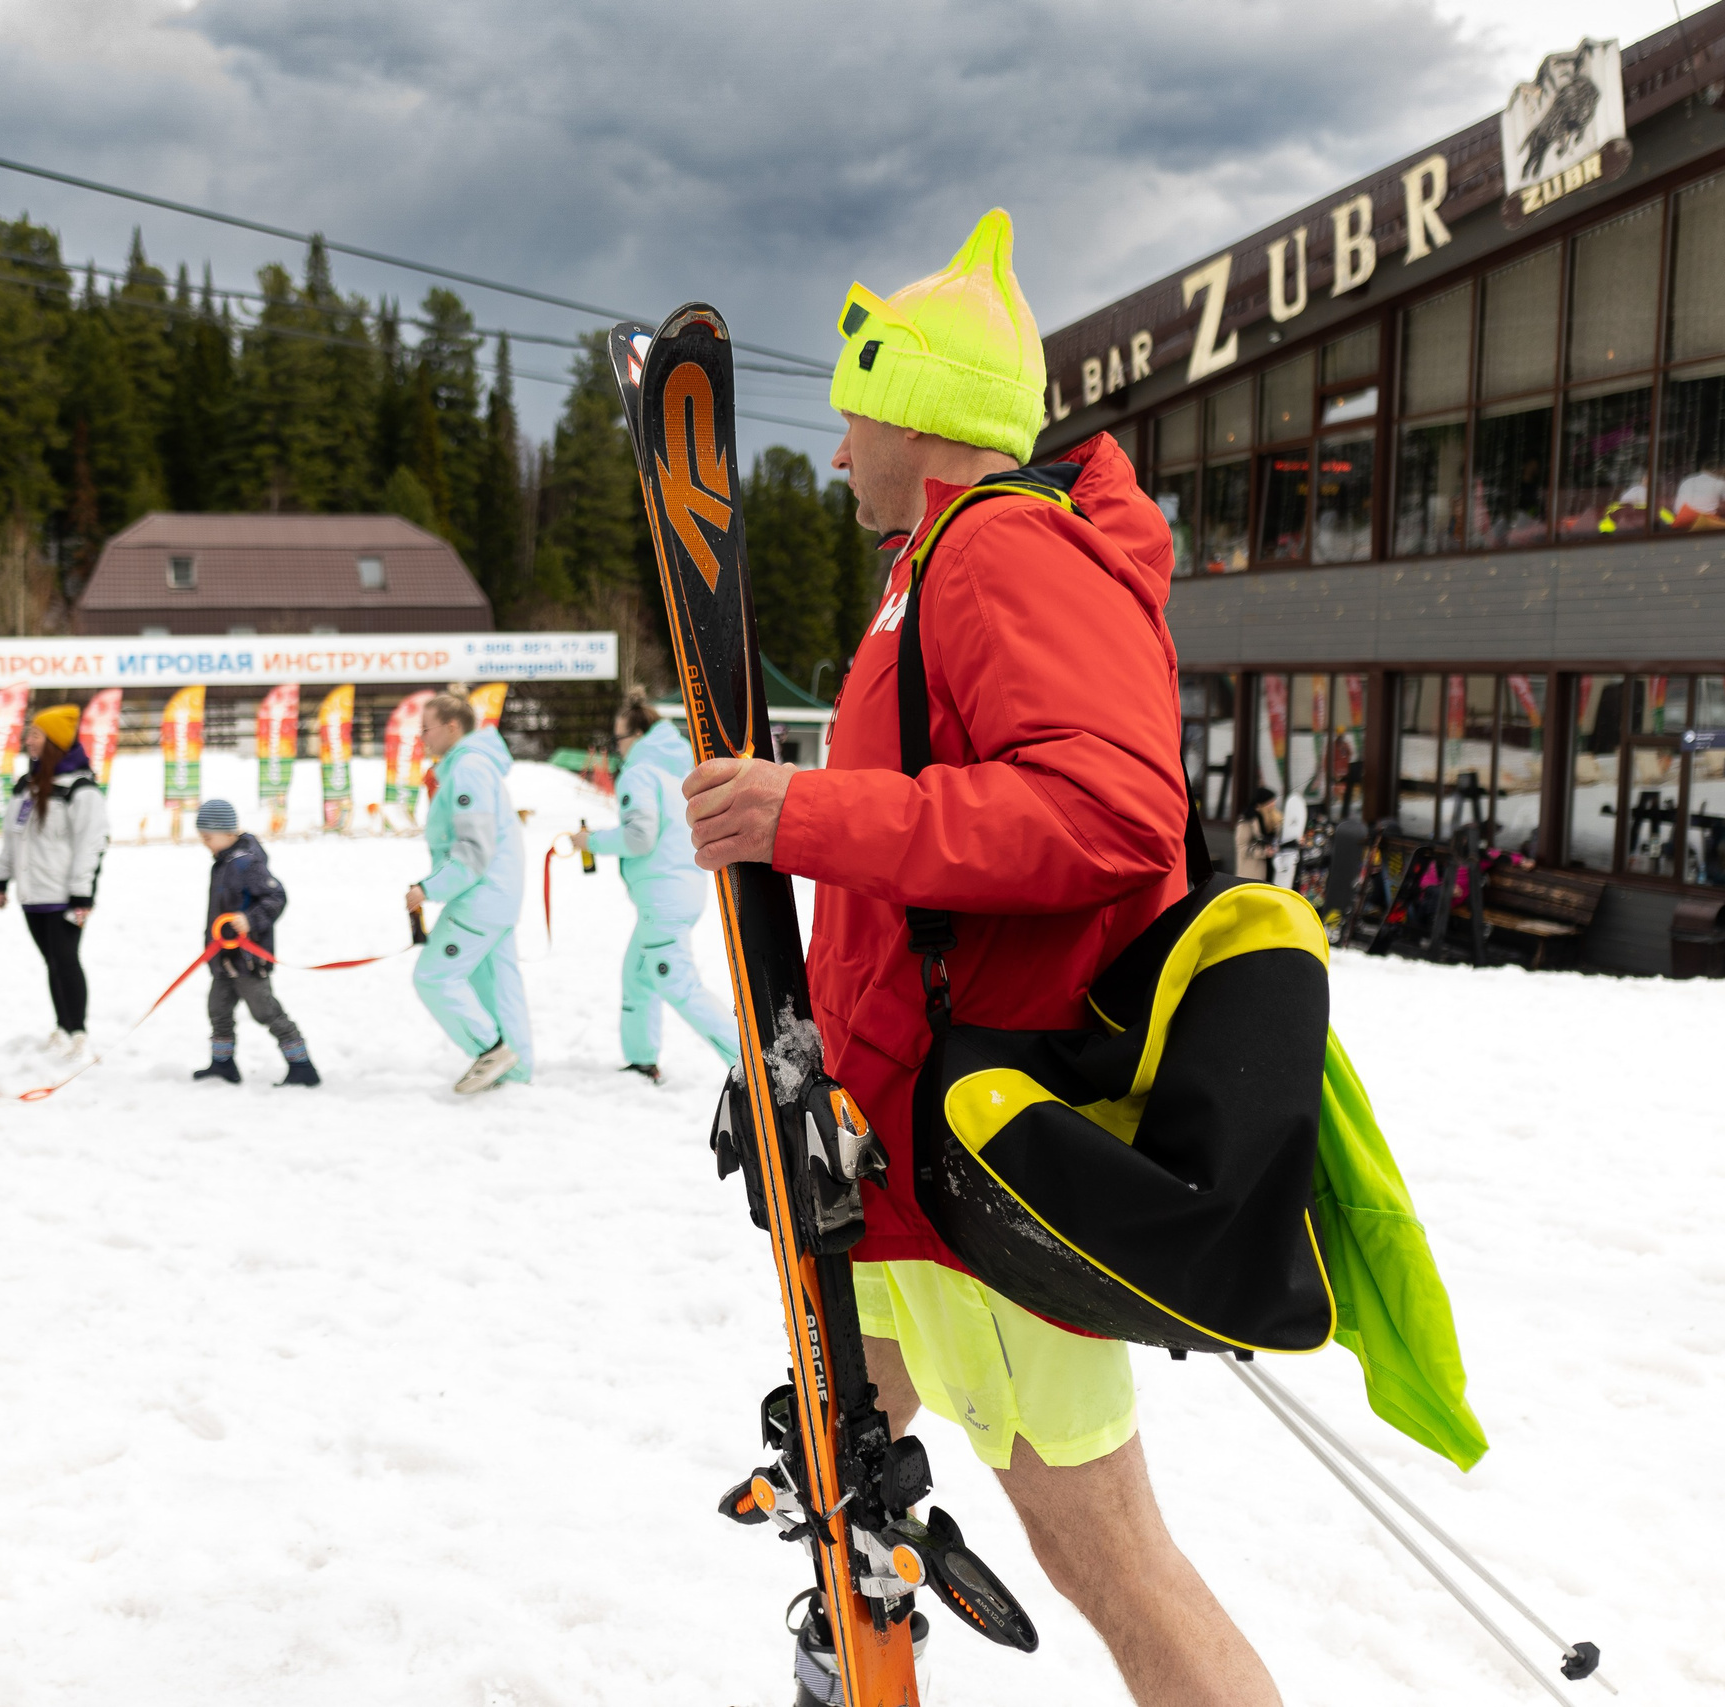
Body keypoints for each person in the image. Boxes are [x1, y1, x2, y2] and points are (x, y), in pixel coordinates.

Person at [682, 211, 1280, 1704]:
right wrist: (804, 1057)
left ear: (922, 416)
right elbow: (920, 887)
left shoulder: (1003, 549)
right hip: (892, 1142)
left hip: (985, 1153)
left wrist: (801, 811)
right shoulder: (932, 562)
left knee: (1112, 1561)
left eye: (854, 418)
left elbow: (1110, 812)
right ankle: (855, 1630)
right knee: (848, 1445)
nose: (836, 454)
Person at [567, 694, 738, 1083]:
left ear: (639, 735)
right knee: (638, 976)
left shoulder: (640, 772)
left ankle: (749, 1062)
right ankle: (641, 1060)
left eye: (619, 739)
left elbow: (639, 836)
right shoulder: (677, 770)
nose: (618, 747)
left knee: (676, 981)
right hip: (682, 888)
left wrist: (590, 841)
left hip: (663, 896)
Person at [404, 692, 531, 1094]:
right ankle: (515, 1074)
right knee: (498, 986)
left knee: (433, 977)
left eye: (426, 728)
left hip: (481, 894)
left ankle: (491, 1052)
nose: (421, 737)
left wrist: (429, 887)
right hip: (497, 894)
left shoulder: (469, 769)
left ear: (452, 727)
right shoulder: (472, 765)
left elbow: (474, 849)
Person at [0, 704, 108, 1060]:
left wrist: (81, 893)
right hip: (32, 894)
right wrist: (1, 878)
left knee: (66, 960)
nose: (27, 740)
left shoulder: (81, 790)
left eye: (35, 735)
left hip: (64, 894)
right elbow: (13, 837)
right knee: (52, 962)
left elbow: (91, 844)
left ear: (54, 742)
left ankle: (78, 1032)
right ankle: (62, 1026)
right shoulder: (25, 787)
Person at [191, 798, 319, 1086]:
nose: (204, 843)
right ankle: (222, 1064)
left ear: (227, 832)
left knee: (265, 1011)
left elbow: (276, 897)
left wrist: (250, 919)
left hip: (248, 961)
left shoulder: (246, 863)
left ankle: (301, 1065)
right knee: (218, 1009)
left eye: (208, 837)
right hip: (224, 957)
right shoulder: (224, 862)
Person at [1236, 786, 1281, 882]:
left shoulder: (1274, 817)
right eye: (1270, 802)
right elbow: (1242, 848)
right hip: (1253, 871)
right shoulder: (1247, 821)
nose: (1273, 804)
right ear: (1261, 804)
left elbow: (1280, 836)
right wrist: (1264, 852)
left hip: (1273, 867)